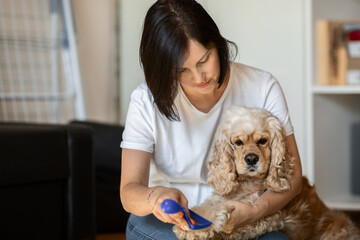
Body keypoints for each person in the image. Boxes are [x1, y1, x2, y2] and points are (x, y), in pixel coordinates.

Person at [120, 0, 303, 239]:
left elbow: (293, 178)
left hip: (245, 210)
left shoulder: (262, 87)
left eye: (203, 60)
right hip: (170, 219)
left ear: (217, 45)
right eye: (181, 71)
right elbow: (129, 191)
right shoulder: (145, 100)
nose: (199, 77)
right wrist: (155, 197)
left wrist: (252, 211)